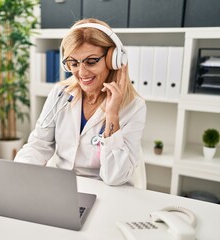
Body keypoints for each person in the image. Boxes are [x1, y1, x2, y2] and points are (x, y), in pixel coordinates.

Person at [14, 18, 146, 186]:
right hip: (60, 186)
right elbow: (38, 144)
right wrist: (19, 173)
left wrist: (112, 115)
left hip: (105, 191)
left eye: (91, 61)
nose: (82, 72)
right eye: (73, 63)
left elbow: (115, 177)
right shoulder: (60, 94)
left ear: (113, 59)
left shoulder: (134, 107)